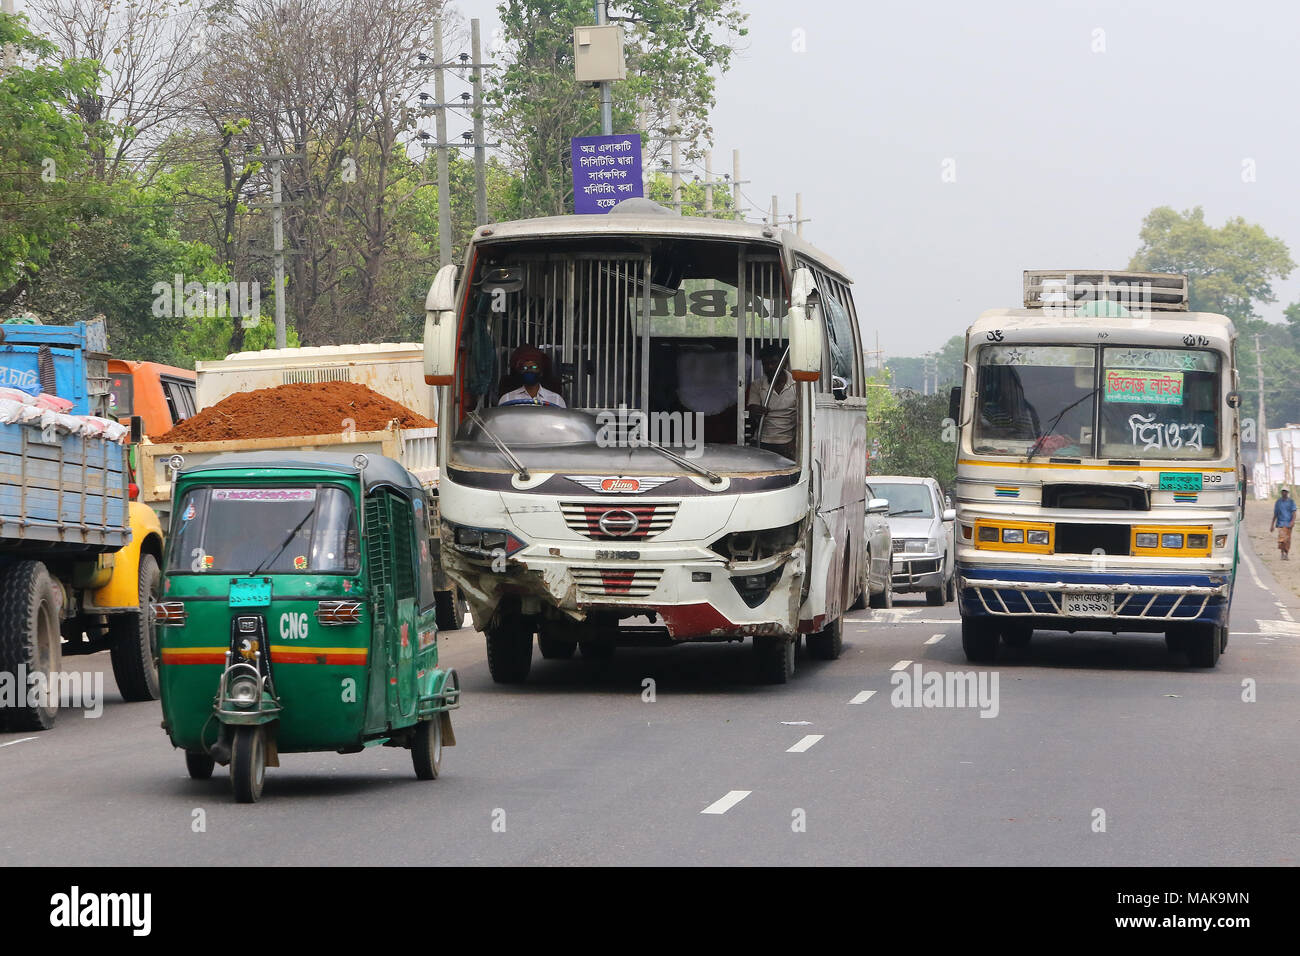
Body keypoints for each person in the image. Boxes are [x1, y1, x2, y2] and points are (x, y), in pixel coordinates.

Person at [746, 343, 796, 460]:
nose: (770, 367)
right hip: (762, 439)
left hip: (787, 441)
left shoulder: (797, 385)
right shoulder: (757, 385)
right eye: (765, 364)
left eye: (774, 363)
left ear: (784, 363)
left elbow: (803, 418)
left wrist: (794, 443)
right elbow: (752, 410)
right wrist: (755, 411)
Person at [499, 345, 565, 407]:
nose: (529, 370)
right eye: (525, 368)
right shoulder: (507, 399)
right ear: (520, 372)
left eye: (533, 367)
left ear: (541, 372)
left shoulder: (556, 400)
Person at [1271, 487, 1296, 560]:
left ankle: (1286, 554)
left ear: (1288, 493)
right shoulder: (1278, 502)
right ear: (1281, 492)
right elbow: (1275, 514)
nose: (1284, 493)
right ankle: (1282, 554)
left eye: (1285, 491)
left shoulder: (1291, 502)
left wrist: (1292, 522)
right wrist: (1272, 525)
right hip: (1281, 524)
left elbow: (1294, 513)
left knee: (1288, 540)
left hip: (1289, 524)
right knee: (1282, 539)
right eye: (1283, 491)